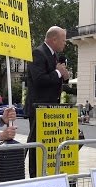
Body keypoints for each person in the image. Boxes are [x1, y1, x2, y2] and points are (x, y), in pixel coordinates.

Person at [24, 25, 69, 178]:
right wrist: (57, 72)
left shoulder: (55, 56)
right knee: (36, 146)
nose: (65, 43)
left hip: (51, 109)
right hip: (39, 109)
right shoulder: (38, 53)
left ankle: (47, 173)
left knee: (48, 146)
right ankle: (34, 176)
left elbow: (56, 78)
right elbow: (39, 80)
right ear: (54, 39)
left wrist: (63, 75)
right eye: (63, 40)